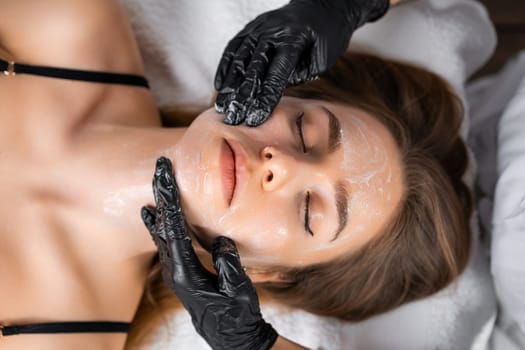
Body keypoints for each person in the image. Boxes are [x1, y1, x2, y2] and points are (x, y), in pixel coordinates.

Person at [0, 0, 471, 349]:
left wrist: (257, 347)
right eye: (305, 131)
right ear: (275, 77)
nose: (281, 164)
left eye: (309, 211)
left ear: (264, 272)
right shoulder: (67, 25)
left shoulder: (54, 339)